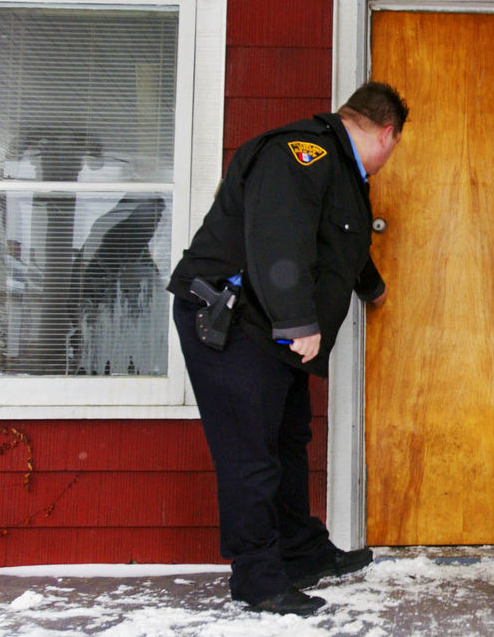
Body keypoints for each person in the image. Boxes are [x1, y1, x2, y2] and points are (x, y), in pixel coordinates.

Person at [167, 82, 408, 616]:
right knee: (251, 453)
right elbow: (279, 233)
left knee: (288, 439)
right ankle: (258, 581)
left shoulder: (340, 171)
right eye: (396, 147)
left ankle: (300, 553)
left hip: (266, 323)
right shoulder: (302, 152)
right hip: (231, 319)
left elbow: (333, 240)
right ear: (388, 133)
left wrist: (370, 285)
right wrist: (299, 321)